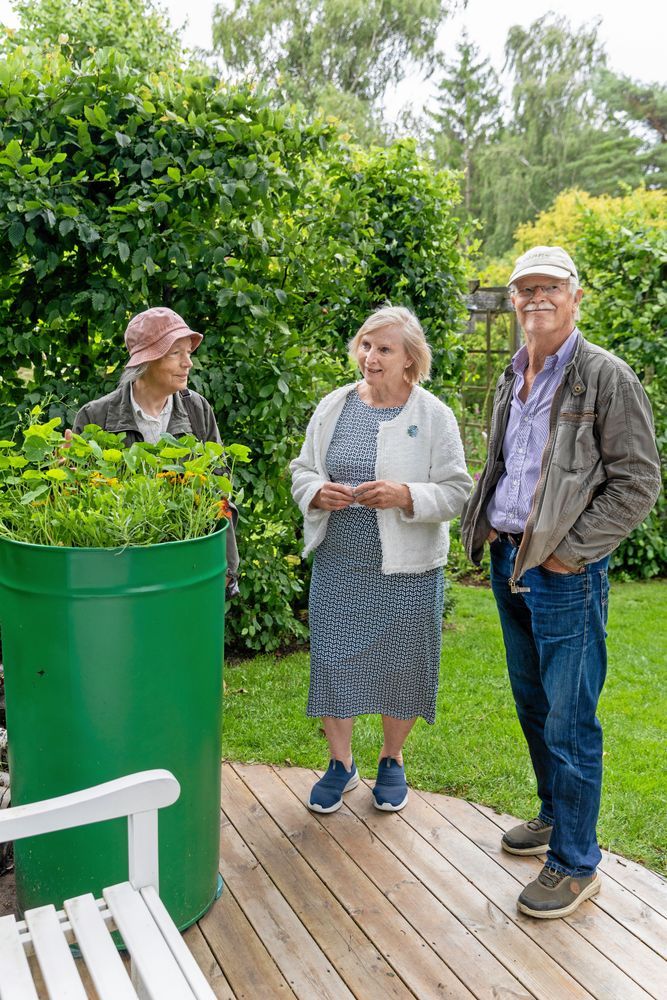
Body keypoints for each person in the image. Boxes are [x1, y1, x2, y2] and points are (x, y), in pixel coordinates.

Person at [461, 246, 661, 918]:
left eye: (549, 286)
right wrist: (488, 524)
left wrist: (569, 554)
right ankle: (553, 815)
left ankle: (576, 863)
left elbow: (637, 482)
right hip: (507, 560)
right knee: (532, 704)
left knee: (570, 719)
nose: (534, 298)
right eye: (524, 289)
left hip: (562, 574)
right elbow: (507, 465)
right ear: (513, 301)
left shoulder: (605, 376)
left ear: (574, 296)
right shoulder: (509, 376)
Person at [290, 305, 472, 814]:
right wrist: (314, 492)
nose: (370, 357)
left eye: (384, 349)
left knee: (403, 666)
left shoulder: (433, 415)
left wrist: (405, 495)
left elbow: (458, 491)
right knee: (332, 665)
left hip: (408, 572)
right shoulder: (334, 405)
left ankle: (391, 760)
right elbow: (303, 468)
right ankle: (341, 765)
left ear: (410, 359)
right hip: (340, 564)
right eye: (366, 345)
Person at [72, 306, 239, 591]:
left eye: (188, 353)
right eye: (176, 353)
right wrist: (67, 471)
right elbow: (80, 504)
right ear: (146, 361)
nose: (188, 363)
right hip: (118, 573)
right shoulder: (95, 417)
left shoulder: (197, 409)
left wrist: (226, 569)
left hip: (187, 568)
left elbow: (218, 491)